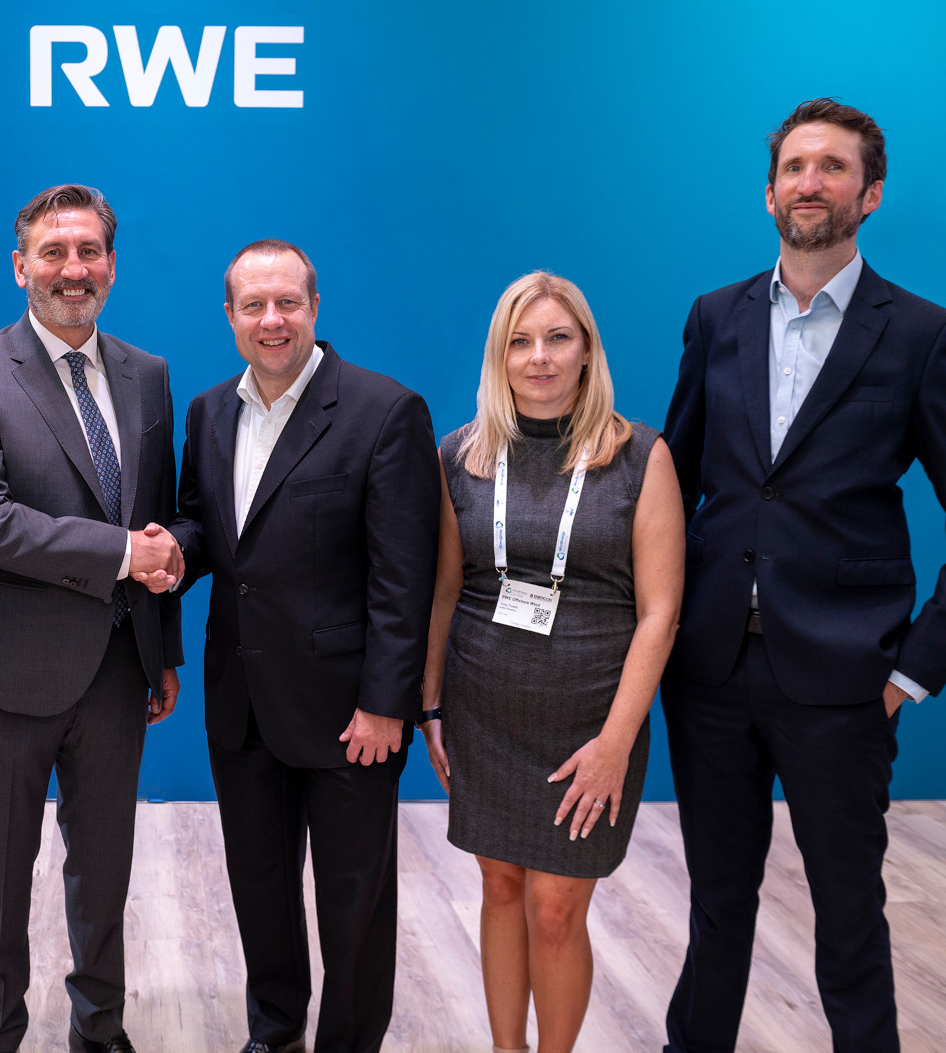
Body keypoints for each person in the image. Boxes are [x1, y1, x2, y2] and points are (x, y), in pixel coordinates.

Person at [660, 98, 946, 1053]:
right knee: (716, 903)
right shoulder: (717, 317)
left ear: (869, 194)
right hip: (709, 673)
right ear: (769, 191)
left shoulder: (919, 334)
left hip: (843, 680)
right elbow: (674, 482)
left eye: (831, 168)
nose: (809, 183)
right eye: (794, 168)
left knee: (850, 917)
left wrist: (911, 673)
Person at [0, 184, 183, 1053]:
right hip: (7, 673)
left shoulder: (147, 374)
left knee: (104, 870)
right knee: (2, 875)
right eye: (54, 252)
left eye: (89, 252)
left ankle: (100, 1032)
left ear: (111, 264)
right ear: (20, 266)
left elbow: (159, 515)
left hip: (119, 670)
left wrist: (165, 648)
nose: (72, 270)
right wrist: (122, 555)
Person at [170, 239, 441, 1053]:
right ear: (230, 317)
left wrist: (385, 704)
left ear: (315, 309)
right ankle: (275, 1029)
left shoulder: (383, 410)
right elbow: (208, 531)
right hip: (242, 704)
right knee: (258, 885)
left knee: (353, 901)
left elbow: (406, 577)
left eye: (287, 302)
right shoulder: (211, 411)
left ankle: (349, 1042)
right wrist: (163, 553)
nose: (272, 320)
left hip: (348, 714)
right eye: (253, 306)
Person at [418, 272, 684, 1053]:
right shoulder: (460, 456)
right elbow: (443, 591)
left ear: (587, 351)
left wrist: (615, 745)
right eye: (520, 341)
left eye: (557, 339)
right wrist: (431, 707)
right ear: (499, 356)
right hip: (483, 711)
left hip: (590, 726)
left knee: (557, 911)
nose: (539, 358)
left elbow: (660, 613)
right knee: (499, 889)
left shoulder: (640, 458)